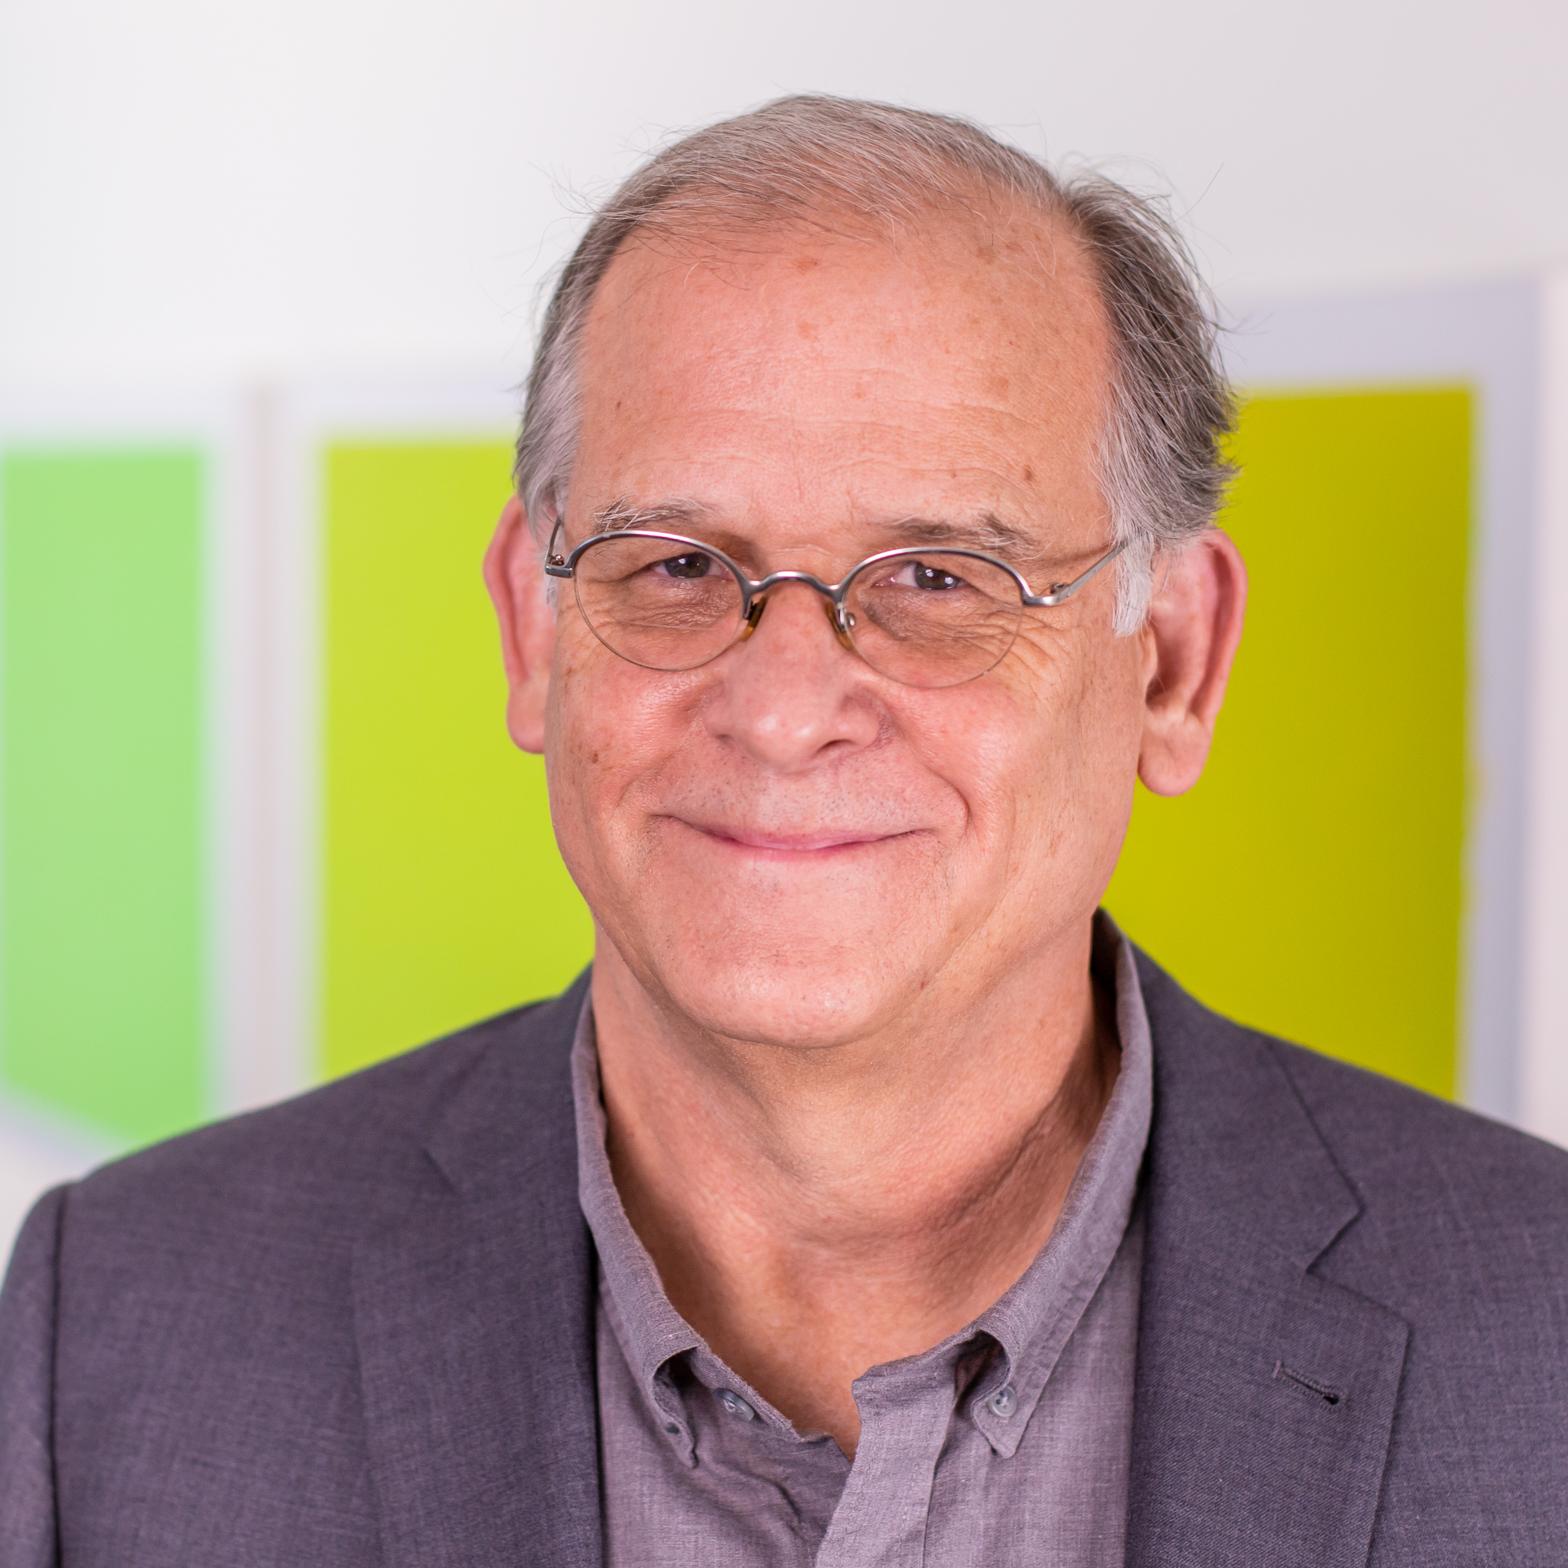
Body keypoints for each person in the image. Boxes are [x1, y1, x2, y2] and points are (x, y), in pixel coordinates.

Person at [2, 93, 1566, 1568]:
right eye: (674, 565)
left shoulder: (1540, 1340)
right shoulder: (123, 1339)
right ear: (531, 633)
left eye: (939, 579)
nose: (785, 706)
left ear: (1171, 663)